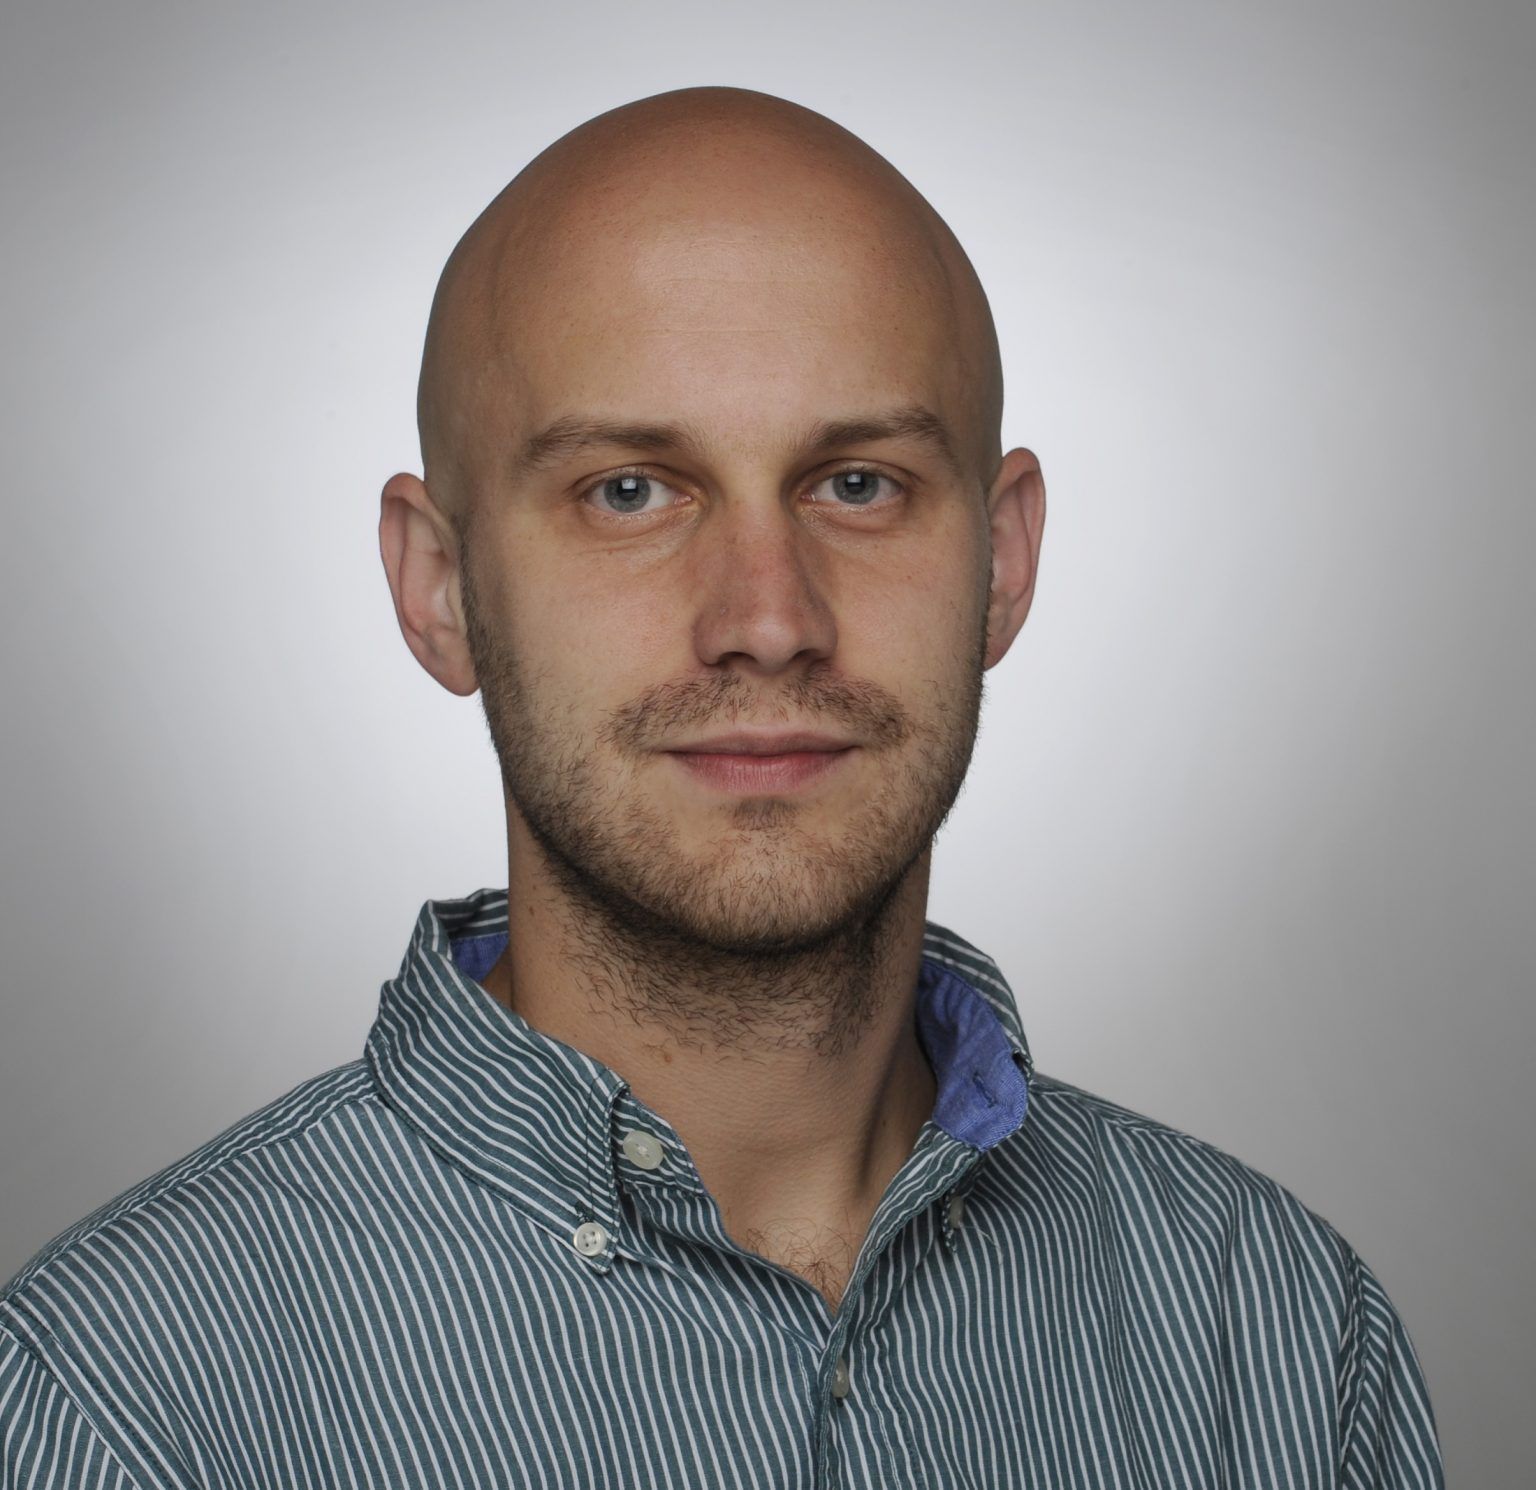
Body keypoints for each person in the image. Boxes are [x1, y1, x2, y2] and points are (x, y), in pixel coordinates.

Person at [0, 85, 1442, 1488]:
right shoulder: (122, 1406)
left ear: (1002, 562)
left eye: (858, 484)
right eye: (630, 490)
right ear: (439, 588)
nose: (766, 614)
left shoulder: (1284, 1341)